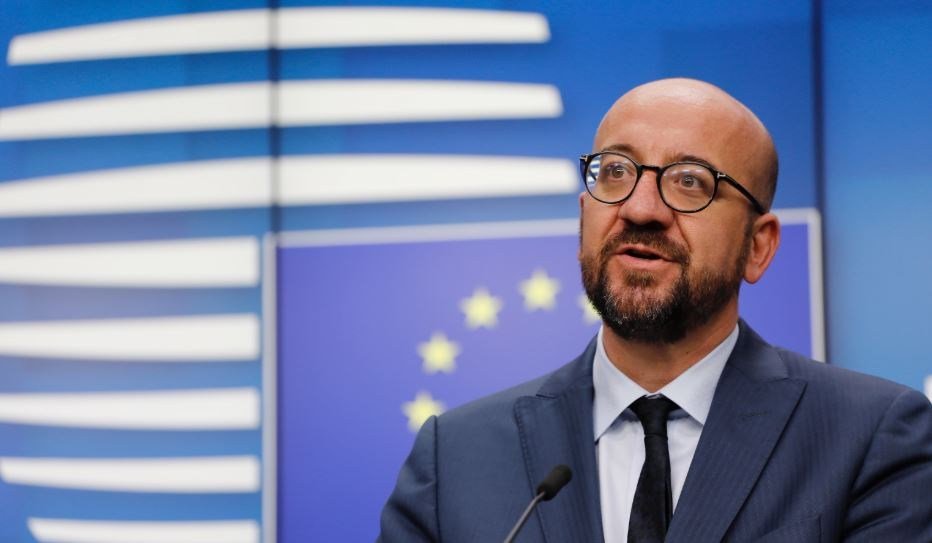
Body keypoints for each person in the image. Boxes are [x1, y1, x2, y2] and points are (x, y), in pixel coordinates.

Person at [377, 78, 932, 542]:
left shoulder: (870, 438)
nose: (640, 209)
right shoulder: (455, 459)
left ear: (758, 246)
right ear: (584, 217)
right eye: (616, 172)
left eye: (690, 181)